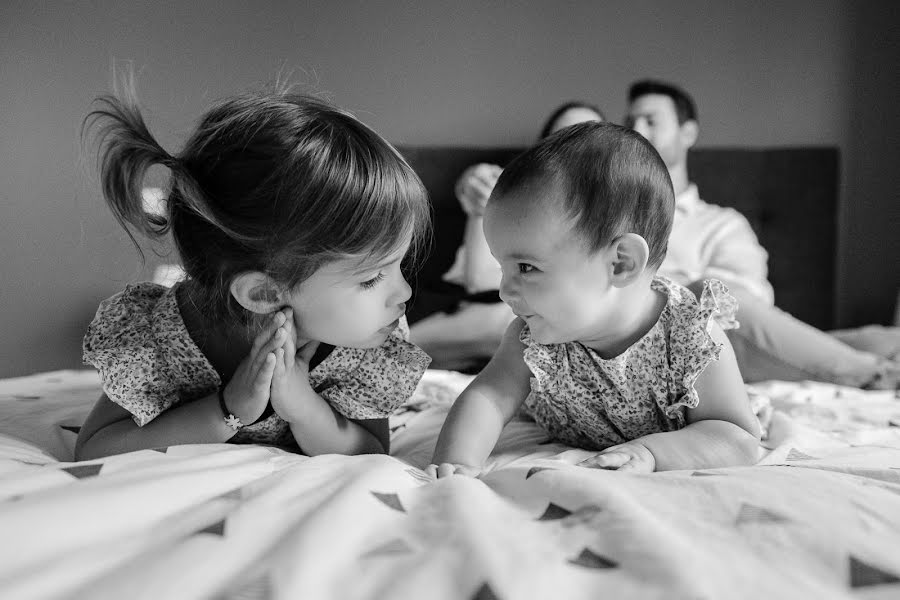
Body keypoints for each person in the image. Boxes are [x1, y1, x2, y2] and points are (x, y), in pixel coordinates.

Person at [75, 79, 432, 460]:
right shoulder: (159, 340)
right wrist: (227, 410)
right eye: (372, 278)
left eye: (399, 265)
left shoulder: (365, 344)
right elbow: (96, 449)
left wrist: (305, 409)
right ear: (264, 293)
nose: (405, 293)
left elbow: (373, 451)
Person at [428, 122, 761, 477]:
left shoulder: (691, 339)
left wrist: (650, 452)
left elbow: (737, 438)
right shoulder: (534, 340)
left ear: (621, 263)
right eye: (502, 267)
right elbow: (488, 398)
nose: (504, 290)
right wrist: (458, 461)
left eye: (526, 267)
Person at [625, 79, 899, 389]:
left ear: (687, 133)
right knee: (708, 293)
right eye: (630, 121)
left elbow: (749, 298)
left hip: (731, 336)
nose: (636, 130)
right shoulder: (617, 219)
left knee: (889, 341)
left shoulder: (721, 223)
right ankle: (877, 376)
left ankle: (845, 360)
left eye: (650, 121)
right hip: (662, 344)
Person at [409, 102, 605, 369]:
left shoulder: (606, 215)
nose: (576, 151)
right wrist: (478, 189)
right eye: (564, 138)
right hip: (463, 304)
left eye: (588, 139)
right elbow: (479, 281)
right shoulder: (505, 187)